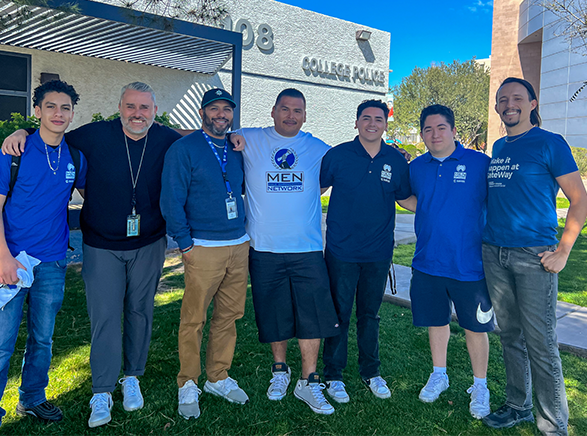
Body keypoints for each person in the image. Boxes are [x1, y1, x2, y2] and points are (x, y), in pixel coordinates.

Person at [0, 82, 242, 428]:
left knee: (140, 312)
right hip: (101, 245)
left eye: (145, 108)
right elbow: (53, 131)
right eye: (131, 107)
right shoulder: (94, 135)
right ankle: (102, 389)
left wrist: (234, 136)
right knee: (105, 317)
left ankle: (132, 378)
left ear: (155, 112)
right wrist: (22, 129)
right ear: (119, 107)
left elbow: (201, 135)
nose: (137, 114)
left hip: (149, 243)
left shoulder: (166, 139)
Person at [0, 80, 86, 435]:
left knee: (43, 339)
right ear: (37, 110)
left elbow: (94, 196)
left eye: (65, 108)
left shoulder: (75, 156)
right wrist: (4, 258)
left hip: (52, 263)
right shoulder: (15, 151)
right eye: (50, 106)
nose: (58, 114)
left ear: (71, 114)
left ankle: (32, 398)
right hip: (10, 261)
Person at [482, 77, 587, 435]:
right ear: (497, 107)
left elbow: (580, 200)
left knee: (541, 342)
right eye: (502, 100)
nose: (509, 104)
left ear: (532, 103)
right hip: (495, 253)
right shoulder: (498, 147)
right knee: (510, 334)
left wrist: (563, 251)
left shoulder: (550, 143)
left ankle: (554, 425)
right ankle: (518, 406)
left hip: (534, 255)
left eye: (516, 98)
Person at [235, 88, 339, 415]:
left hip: (307, 248)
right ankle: (280, 370)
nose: (290, 115)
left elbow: (335, 176)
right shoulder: (249, 139)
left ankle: (309, 380)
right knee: (274, 313)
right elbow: (207, 134)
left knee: (312, 315)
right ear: (273, 111)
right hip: (263, 247)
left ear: (305, 115)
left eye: (297, 110)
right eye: (285, 109)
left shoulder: (318, 148)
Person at [160, 89, 249, 420]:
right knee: (193, 318)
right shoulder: (184, 149)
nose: (221, 115)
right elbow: (171, 199)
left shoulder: (237, 148)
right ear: (202, 112)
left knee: (229, 316)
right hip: (202, 248)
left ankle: (218, 376)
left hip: (238, 245)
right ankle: (188, 382)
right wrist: (185, 243)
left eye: (227, 109)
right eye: (214, 109)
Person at [319, 100, 411, 404]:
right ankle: (333, 375)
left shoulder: (396, 161)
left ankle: (371, 371)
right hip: (341, 251)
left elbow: (406, 199)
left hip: (378, 252)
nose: (372, 123)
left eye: (378, 119)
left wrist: (442, 208)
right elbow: (313, 191)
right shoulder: (337, 155)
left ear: (386, 124)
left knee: (370, 315)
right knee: (340, 314)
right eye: (366, 118)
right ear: (356, 122)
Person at [406, 104, 494, 419]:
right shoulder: (416, 167)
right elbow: (409, 197)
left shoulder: (481, 163)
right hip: (428, 261)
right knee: (436, 321)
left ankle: (480, 384)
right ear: (422, 134)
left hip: (470, 265)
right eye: (428, 129)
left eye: (441, 127)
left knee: (475, 327)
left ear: (454, 130)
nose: (435, 134)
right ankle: (439, 374)